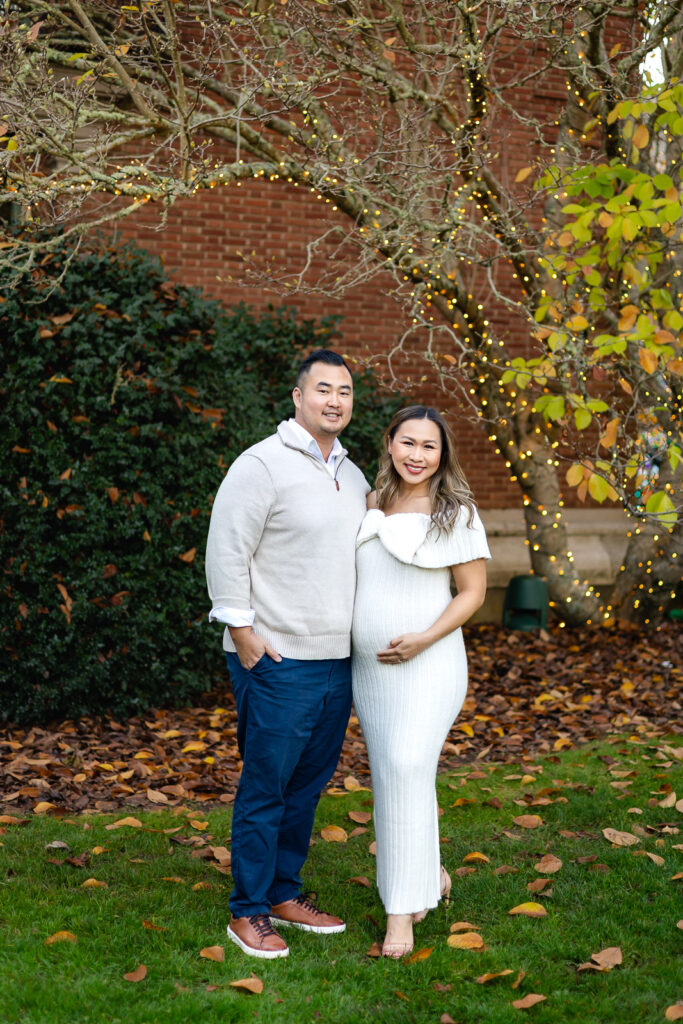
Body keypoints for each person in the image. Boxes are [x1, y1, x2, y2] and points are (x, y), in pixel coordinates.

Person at [205, 349, 369, 959]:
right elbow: (227, 548)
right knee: (267, 786)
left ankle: (282, 893)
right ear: (298, 397)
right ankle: (247, 910)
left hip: (336, 660)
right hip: (277, 658)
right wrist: (242, 631)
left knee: (306, 787)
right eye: (323, 389)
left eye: (344, 391)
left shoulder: (352, 474)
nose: (334, 401)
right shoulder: (261, 464)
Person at [351, 405, 490, 958]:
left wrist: (424, 638)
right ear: (390, 443)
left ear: (442, 454)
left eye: (429, 446)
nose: (416, 455)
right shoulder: (370, 504)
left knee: (408, 766)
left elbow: (473, 593)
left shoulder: (456, 511)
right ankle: (429, 873)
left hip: (430, 665)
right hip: (371, 673)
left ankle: (399, 913)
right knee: (393, 776)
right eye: (407, 442)